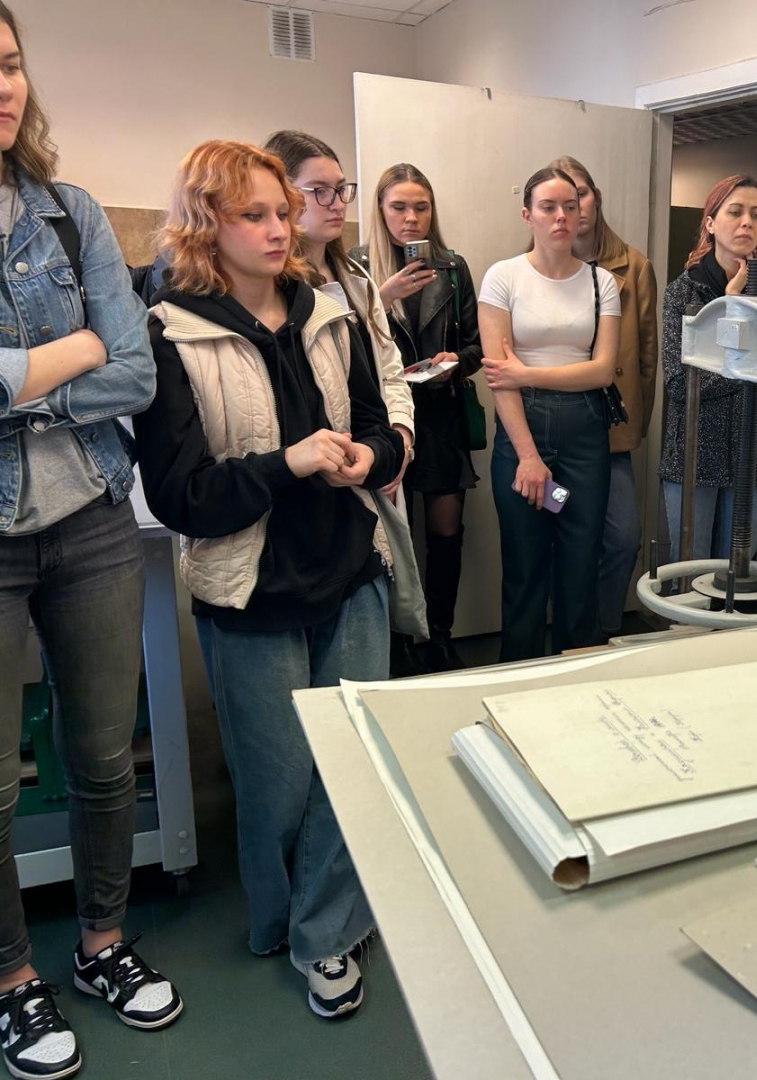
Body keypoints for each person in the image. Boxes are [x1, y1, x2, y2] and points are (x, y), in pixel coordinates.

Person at [136, 139, 402, 1021]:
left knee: (353, 767)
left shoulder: (328, 312)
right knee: (279, 786)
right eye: (254, 214)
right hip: (250, 591)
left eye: (283, 212)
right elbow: (181, 497)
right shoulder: (172, 331)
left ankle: (325, 933)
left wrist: (371, 457)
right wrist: (288, 463)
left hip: (350, 569)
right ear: (205, 223)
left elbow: (378, 422)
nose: (280, 229)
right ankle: (287, 919)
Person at [0, 5, 183, 1074]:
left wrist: (19, 382)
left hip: (94, 517)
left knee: (105, 758)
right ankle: (12, 980)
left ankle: (102, 942)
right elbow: (97, 358)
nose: (3, 88)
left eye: (10, 66)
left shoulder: (68, 214)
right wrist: (68, 355)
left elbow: (135, 371)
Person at [478, 167, 619, 661]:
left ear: (582, 213)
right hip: (524, 434)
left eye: (570, 206)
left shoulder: (602, 282)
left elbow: (602, 371)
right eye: (548, 207)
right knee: (525, 564)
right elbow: (501, 378)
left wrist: (528, 373)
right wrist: (529, 458)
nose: (561, 216)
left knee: (580, 563)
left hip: (584, 437)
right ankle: (517, 679)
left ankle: (574, 682)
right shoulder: (504, 277)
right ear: (528, 215)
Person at [353, 164, 482, 672]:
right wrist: (381, 297)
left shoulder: (452, 267)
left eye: (421, 207)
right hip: (384, 420)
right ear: (381, 210)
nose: (411, 218)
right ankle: (397, 640)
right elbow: (342, 343)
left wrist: (455, 361)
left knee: (446, 534)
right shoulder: (357, 266)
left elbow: (475, 345)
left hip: (441, 414)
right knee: (391, 534)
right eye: (399, 207)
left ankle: (441, 635)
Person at [263, 130, 414, 499]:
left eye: (341, 189)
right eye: (319, 191)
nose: (337, 204)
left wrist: (399, 438)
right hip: (307, 473)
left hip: (371, 457)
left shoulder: (356, 279)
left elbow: (389, 368)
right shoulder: (269, 289)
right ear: (283, 196)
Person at [547, 156, 657, 638]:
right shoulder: (532, 265)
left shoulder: (633, 265)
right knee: (559, 532)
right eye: (561, 198)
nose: (572, 207)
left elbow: (648, 355)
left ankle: (603, 632)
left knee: (622, 537)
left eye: (581, 193)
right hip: (552, 435)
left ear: (596, 197)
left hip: (609, 435)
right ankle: (568, 635)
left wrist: (634, 426)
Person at [657, 174, 757, 562]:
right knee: (690, 570)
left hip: (755, 454)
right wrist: (732, 305)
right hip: (693, 454)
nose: (747, 222)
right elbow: (681, 383)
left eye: (756, 214)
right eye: (735, 212)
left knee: (738, 570)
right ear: (711, 223)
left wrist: (738, 370)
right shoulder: (684, 292)